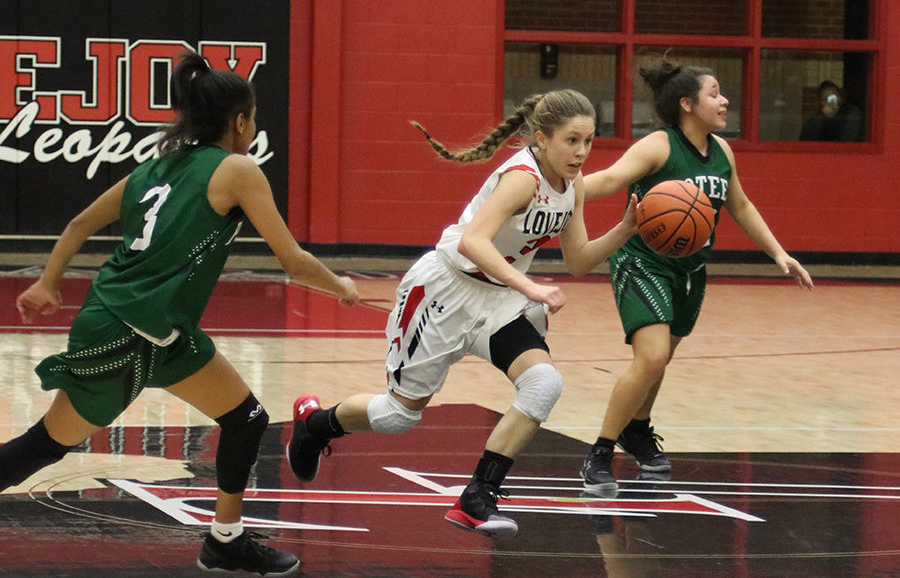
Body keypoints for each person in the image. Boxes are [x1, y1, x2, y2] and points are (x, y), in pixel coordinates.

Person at [3, 51, 359, 575]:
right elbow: (292, 261)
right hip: (127, 327)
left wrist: (47, 282)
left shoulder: (154, 167)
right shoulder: (237, 169)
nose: (253, 126)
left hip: (152, 327)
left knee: (247, 417)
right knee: (45, 445)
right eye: (253, 117)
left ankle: (225, 541)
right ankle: (225, 540)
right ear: (240, 122)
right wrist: (341, 285)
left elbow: (79, 222)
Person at [286, 89, 638, 539]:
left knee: (544, 382)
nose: (581, 152)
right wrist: (530, 286)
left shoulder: (574, 186)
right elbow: (474, 241)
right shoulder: (522, 178)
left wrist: (627, 227)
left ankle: (477, 497)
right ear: (541, 138)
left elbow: (579, 261)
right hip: (446, 290)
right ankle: (315, 424)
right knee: (398, 417)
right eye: (572, 140)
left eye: (588, 141)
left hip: (499, 302)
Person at [579, 56, 814, 493]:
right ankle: (600, 451)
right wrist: (558, 186)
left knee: (660, 359)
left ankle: (638, 428)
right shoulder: (659, 146)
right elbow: (611, 179)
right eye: (714, 93)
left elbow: (739, 205)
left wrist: (778, 253)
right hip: (642, 261)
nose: (724, 101)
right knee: (649, 358)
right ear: (687, 104)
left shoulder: (722, 151)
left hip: (690, 268)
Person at [799, 80, 863, 142]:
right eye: (825, 99)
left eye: (833, 97)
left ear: (840, 97)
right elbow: (805, 138)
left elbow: (848, 139)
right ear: (820, 102)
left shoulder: (851, 112)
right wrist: (822, 116)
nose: (830, 101)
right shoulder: (819, 116)